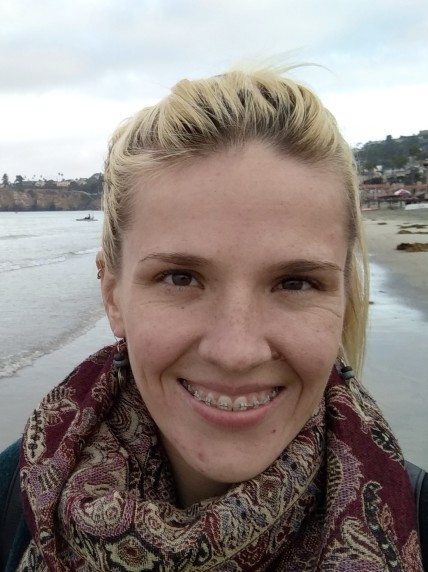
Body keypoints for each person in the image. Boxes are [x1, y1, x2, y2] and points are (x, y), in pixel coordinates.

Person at [0, 65, 425, 571]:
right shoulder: (11, 497)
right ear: (112, 294)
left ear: (346, 300)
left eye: (295, 283)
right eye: (180, 278)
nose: (235, 352)